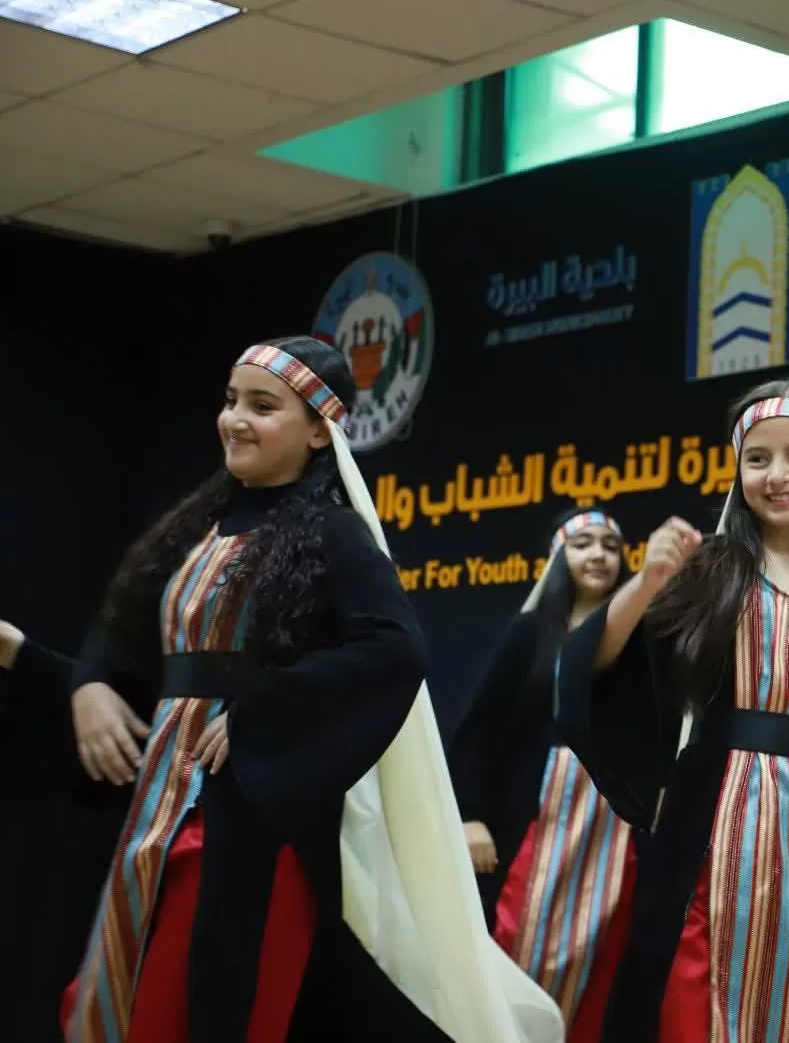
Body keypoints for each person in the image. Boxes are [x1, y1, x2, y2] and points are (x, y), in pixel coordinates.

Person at [59, 336, 561, 1042]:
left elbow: (393, 648)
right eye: (231, 401)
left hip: (240, 814)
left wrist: (265, 711)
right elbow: (123, 627)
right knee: (127, 982)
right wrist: (90, 685)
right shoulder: (194, 525)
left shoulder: (334, 533)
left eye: (262, 407)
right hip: (154, 806)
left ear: (320, 432)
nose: (235, 420)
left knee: (201, 1000)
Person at [554, 379, 789, 1041]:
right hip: (708, 818)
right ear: (737, 471)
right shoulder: (710, 568)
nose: (777, 475)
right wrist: (646, 581)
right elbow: (597, 666)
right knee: (687, 998)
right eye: (758, 458)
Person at [449, 508, 637, 1042]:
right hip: (535, 819)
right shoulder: (530, 634)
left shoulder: (642, 639)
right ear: (558, 558)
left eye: (609, 546)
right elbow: (481, 731)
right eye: (583, 544)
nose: (598, 555)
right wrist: (469, 816)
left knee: (604, 960)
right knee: (518, 941)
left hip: (614, 826)